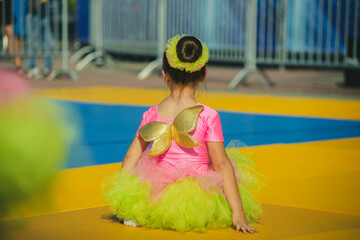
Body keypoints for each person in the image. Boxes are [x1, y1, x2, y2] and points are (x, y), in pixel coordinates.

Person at [102, 35, 263, 233]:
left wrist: (123, 200)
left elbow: (131, 156)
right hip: (197, 193)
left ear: (165, 75)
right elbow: (221, 164)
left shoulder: (152, 113)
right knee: (209, 197)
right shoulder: (208, 115)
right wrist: (237, 211)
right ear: (203, 75)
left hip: (157, 190)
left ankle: (139, 212)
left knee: (147, 199)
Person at [26, 0, 54, 79]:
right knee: (32, 39)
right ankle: (32, 67)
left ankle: (48, 67)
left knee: (47, 38)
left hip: (44, 4)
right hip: (32, 5)